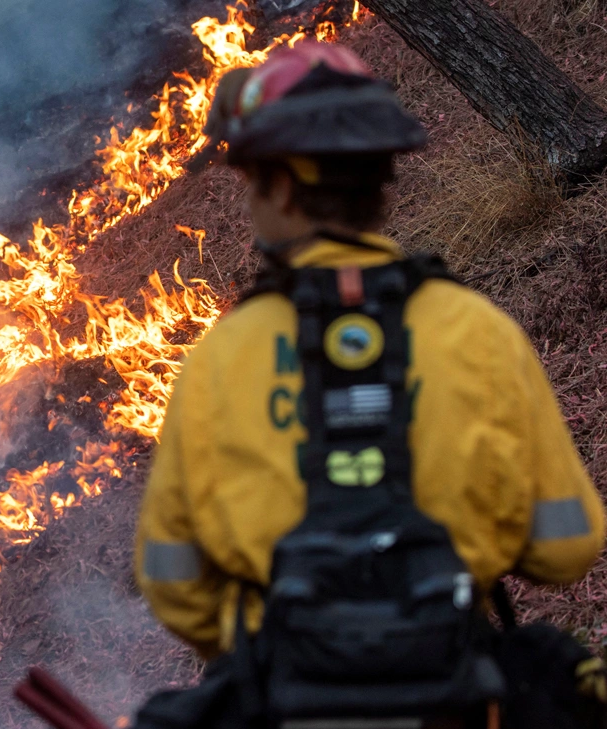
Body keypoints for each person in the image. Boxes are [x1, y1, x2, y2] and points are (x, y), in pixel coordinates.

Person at [135, 43, 606, 727]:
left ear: (283, 186)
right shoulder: (476, 330)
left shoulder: (221, 357)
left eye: (253, 181)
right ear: (381, 175)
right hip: (460, 703)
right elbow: (566, 546)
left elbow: (174, 582)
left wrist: (283, 644)